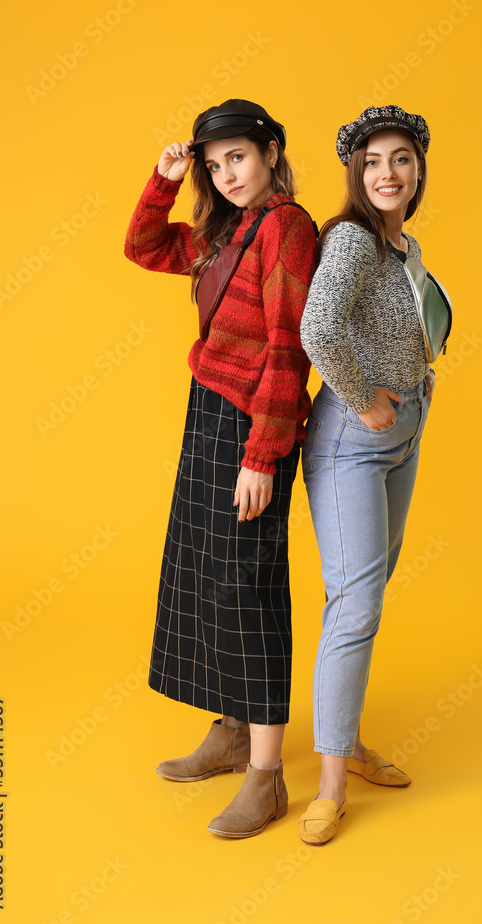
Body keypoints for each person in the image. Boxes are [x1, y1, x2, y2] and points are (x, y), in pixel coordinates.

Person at [124, 98, 319, 838]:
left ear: (270, 150)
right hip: (206, 410)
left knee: (249, 583)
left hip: (251, 420)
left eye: (236, 156)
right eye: (214, 164)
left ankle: (266, 778)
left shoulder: (287, 228)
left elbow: (286, 346)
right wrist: (164, 178)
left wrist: (264, 454)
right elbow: (144, 247)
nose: (226, 173)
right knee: (207, 572)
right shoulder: (225, 231)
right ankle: (232, 732)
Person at [297, 105, 439, 844]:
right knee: (355, 606)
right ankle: (328, 784)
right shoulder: (351, 239)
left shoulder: (401, 245)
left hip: (404, 426)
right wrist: (363, 400)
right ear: (355, 173)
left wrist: (407, 399)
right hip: (355, 436)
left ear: (417, 171)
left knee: (366, 592)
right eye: (373, 161)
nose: (388, 173)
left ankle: (344, 741)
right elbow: (316, 327)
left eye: (401, 160)